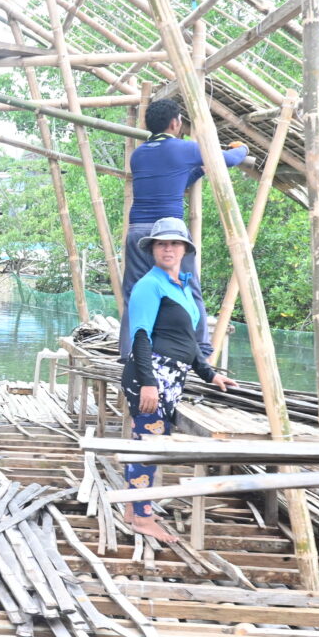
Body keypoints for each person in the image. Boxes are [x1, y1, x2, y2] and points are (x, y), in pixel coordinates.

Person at [122, 216, 235, 544]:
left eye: (174, 243)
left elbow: (188, 342)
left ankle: (133, 509)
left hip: (170, 379)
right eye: (161, 243)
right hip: (151, 377)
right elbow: (140, 335)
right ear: (153, 249)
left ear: (185, 249)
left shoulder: (182, 287)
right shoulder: (149, 285)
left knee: (149, 443)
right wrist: (148, 382)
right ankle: (142, 518)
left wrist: (211, 375)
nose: (168, 248)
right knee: (150, 445)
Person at [122, 98, 247, 355]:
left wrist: (198, 171)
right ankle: (201, 347)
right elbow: (230, 160)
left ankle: (129, 352)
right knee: (187, 284)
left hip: (137, 230)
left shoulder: (138, 155)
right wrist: (242, 148)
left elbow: (175, 181)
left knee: (134, 292)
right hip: (168, 232)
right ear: (175, 123)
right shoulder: (183, 148)